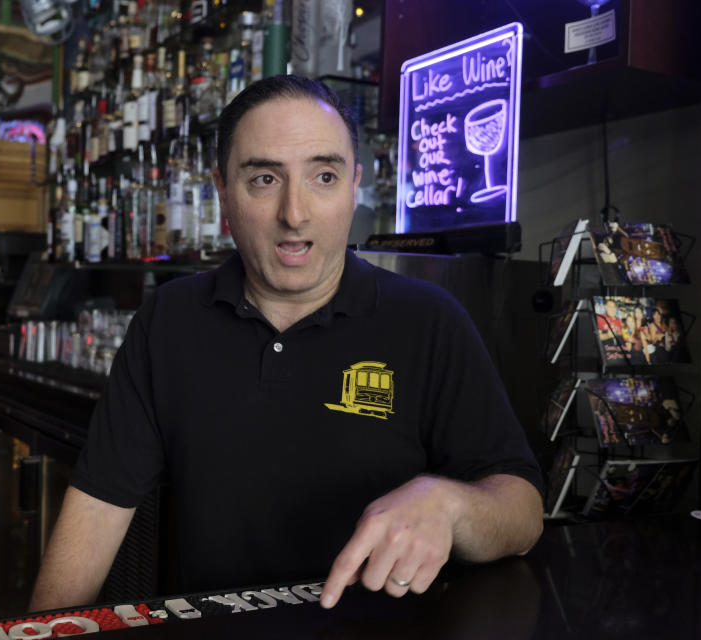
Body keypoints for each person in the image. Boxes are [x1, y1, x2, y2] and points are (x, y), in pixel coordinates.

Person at [29, 76, 543, 612]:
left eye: (323, 176)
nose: (294, 214)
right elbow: (96, 507)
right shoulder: (170, 319)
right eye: (264, 179)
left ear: (353, 186)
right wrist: (39, 631)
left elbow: (524, 513)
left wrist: (451, 504)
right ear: (223, 191)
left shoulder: (430, 320)